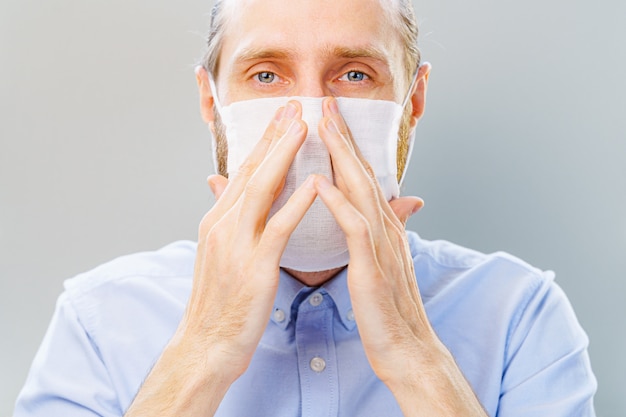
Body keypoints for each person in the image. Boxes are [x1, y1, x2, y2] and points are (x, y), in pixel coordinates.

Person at [14, 0, 597, 415]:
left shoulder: (520, 315)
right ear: (209, 100)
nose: (314, 119)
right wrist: (204, 350)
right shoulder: (99, 322)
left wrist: (414, 354)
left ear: (413, 101)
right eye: (267, 74)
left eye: (354, 74)